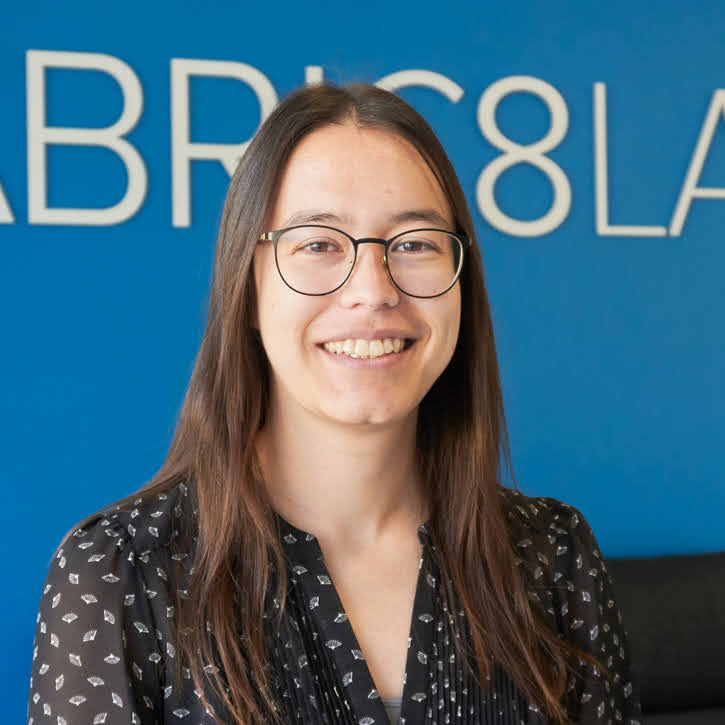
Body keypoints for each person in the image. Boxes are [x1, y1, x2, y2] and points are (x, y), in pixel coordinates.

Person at [26, 82, 642, 725]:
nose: (372, 291)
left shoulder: (552, 557)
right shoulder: (122, 574)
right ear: (249, 285)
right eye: (318, 244)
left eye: (414, 244)